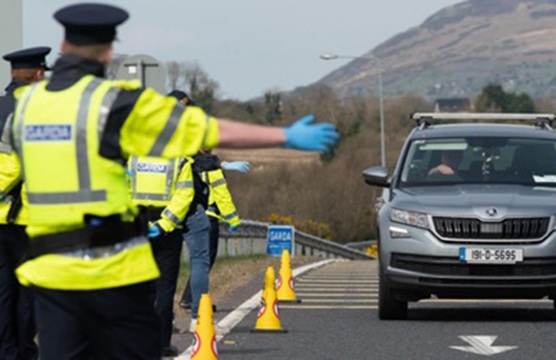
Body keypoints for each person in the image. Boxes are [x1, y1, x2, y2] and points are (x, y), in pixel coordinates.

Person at [7, 3, 339, 359]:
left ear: (62, 44)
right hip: (112, 269)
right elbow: (204, 130)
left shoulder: (25, 107)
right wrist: (284, 136)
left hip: (50, 270)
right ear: (108, 51)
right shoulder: (113, 103)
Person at [0, 46, 50, 360]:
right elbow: (16, 165)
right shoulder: (38, 108)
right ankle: (24, 350)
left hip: (1, 217)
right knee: (29, 291)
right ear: (39, 74)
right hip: (31, 216)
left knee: (3, 290)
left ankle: (5, 351)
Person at [127, 155, 195, 357]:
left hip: (135, 228)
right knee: (164, 289)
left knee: (137, 287)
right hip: (167, 232)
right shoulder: (180, 160)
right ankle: (161, 343)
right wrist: (164, 224)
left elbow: (119, 188)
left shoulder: (132, 156)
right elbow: (184, 195)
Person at [179, 152, 245, 317]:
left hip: (184, 214)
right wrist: (232, 218)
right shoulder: (212, 167)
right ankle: (194, 302)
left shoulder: (185, 161)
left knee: (196, 260)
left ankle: (189, 299)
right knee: (203, 261)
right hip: (208, 217)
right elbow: (221, 194)